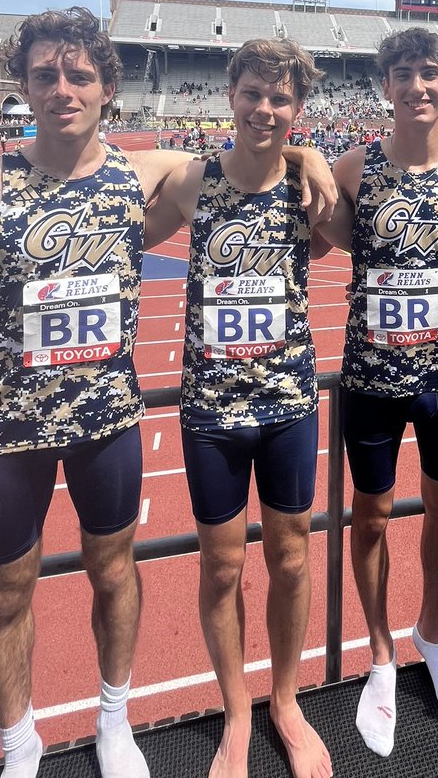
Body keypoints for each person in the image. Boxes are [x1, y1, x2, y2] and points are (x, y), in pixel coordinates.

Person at [0, 10, 336, 778]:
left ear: (108, 88)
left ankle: (115, 721)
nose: (62, 89)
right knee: (7, 594)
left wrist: (308, 150)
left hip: (109, 421)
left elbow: (259, 145)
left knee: (116, 571)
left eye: (79, 74)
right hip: (8, 431)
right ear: (24, 84)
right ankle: (20, 745)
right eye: (46, 75)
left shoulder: (144, 172)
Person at [143, 39, 333, 778]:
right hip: (211, 413)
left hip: (287, 402)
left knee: (291, 560)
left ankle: (285, 700)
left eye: (280, 98)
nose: (265, 108)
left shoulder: (307, 188)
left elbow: (335, 244)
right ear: (231, 94)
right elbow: (124, 238)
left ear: (297, 109)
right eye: (253, 92)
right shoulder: (196, 182)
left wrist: (310, 159)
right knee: (222, 568)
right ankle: (238, 710)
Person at [315, 27, 438, 758]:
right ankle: (382, 650)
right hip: (372, 381)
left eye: (430, 73)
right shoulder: (355, 166)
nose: (417, 86)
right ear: (384, 88)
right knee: (374, 516)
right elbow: (324, 240)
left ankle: (432, 634)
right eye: (403, 75)